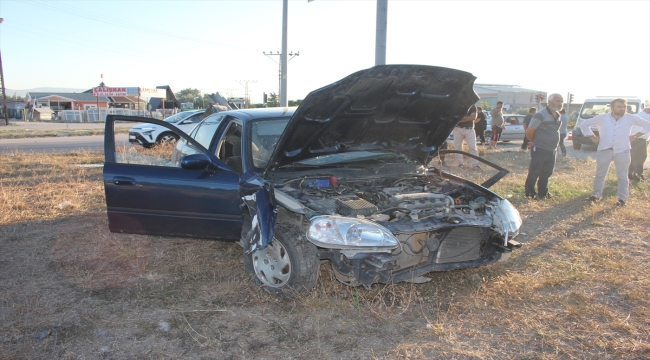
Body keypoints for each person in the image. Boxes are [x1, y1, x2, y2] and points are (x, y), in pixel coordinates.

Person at [579, 98, 650, 206]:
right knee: (600, 174)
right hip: (604, 150)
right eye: (619, 107)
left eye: (624, 107)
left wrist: (635, 136)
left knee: (623, 176)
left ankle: (622, 199)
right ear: (612, 108)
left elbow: (647, 125)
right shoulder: (602, 118)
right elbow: (584, 124)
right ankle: (596, 195)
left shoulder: (630, 118)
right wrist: (593, 137)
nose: (622, 109)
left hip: (623, 150)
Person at [524, 93, 563, 199]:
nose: (560, 103)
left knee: (547, 172)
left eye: (561, 101)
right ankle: (530, 192)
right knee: (534, 171)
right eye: (557, 101)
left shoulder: (558, 115)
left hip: (552, 150)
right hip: (540, 148)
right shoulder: (541, 114)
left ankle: (543, 192)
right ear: (550, 102)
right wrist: (534, 141)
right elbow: (530, 130)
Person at [453, 104, 481, 169]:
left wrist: (461, 118)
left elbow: (473, 117)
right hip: (458, 128)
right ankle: (460, 164)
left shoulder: (472, 106)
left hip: (469, 129)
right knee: (457, 147)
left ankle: (475, 164)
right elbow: (454, 118)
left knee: (473, 147)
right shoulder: (457, 106)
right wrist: (467, 118)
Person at [628, 107, 650, 181]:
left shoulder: (638, 115)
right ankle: (638, 176)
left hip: (634, 140)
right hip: (639, 140)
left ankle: (630, 174)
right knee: (640, 158)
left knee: (633, 158)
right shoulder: (646, 117)